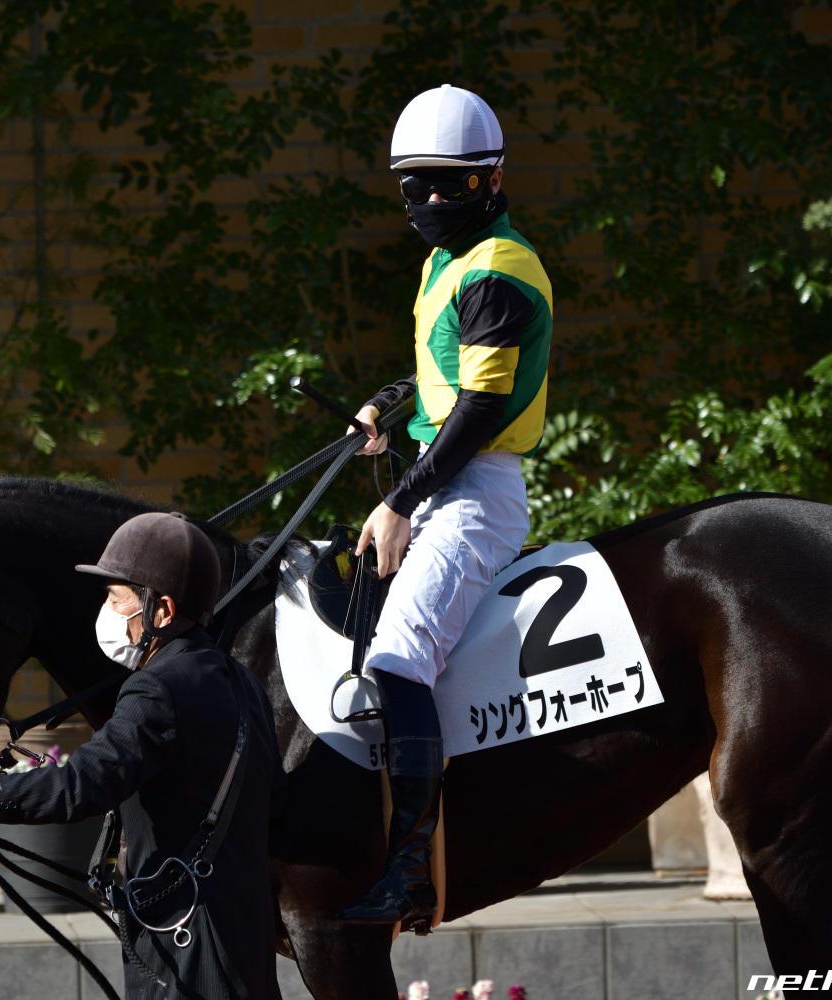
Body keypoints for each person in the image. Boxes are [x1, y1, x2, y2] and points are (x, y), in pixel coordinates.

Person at [0, 511, 285, 1000]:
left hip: (188, 945)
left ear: (161, 611)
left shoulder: (156, 688)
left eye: (116, 598)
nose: (106, 611)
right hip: (243, 939)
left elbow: (79, 787)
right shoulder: (239, 679)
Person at [338, 84, 554, 930]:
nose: (429, 200)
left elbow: (483, 407)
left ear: (491, 179)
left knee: (396, 660)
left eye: (448, 184)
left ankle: (408, 872)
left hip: (476, 493)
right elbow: (440, 377)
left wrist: (399, 498)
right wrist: (382, 409)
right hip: (446, 476)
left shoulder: (498, 267)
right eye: (414, 185)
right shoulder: (447, 264)